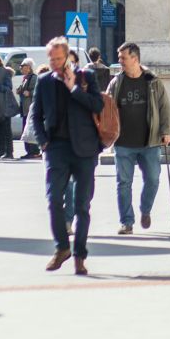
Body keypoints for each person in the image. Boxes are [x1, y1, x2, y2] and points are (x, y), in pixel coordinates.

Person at [32, 37, 104, 274]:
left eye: (58, 59)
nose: (54, 63)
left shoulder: (86, 77)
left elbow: (97, 106)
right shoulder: (43, 82)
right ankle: (62, 247)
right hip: (57, 149)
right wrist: (43, 142)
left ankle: (79, 256)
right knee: (53, 200)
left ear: (68, 57)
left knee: (82, 206)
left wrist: (74, 88)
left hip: (84, 149)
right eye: (51, 59)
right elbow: (36, 116)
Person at [107, 42, 170, 233]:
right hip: (123, 142)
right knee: (123, 183)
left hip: (150, 141)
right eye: (120, 58)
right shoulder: (116, 82)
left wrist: (166, 131)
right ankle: (126, 222)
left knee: (153, 179)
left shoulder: (152, 81)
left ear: (134, 59)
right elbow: (108, 109)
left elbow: (164, 107)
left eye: (123, 58)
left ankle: (145, 210)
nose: (120, 62)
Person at [15, 59, 40, 158]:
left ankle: (33, 151)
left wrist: (29, 93)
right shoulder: (25, 78)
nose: (21, 68)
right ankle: (29, 150)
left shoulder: (33, 78)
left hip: (29, 108)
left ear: (29, 67)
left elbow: (36, 91)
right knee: (25, 129)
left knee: (30, 129)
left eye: (23, 65)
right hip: (25, 108)